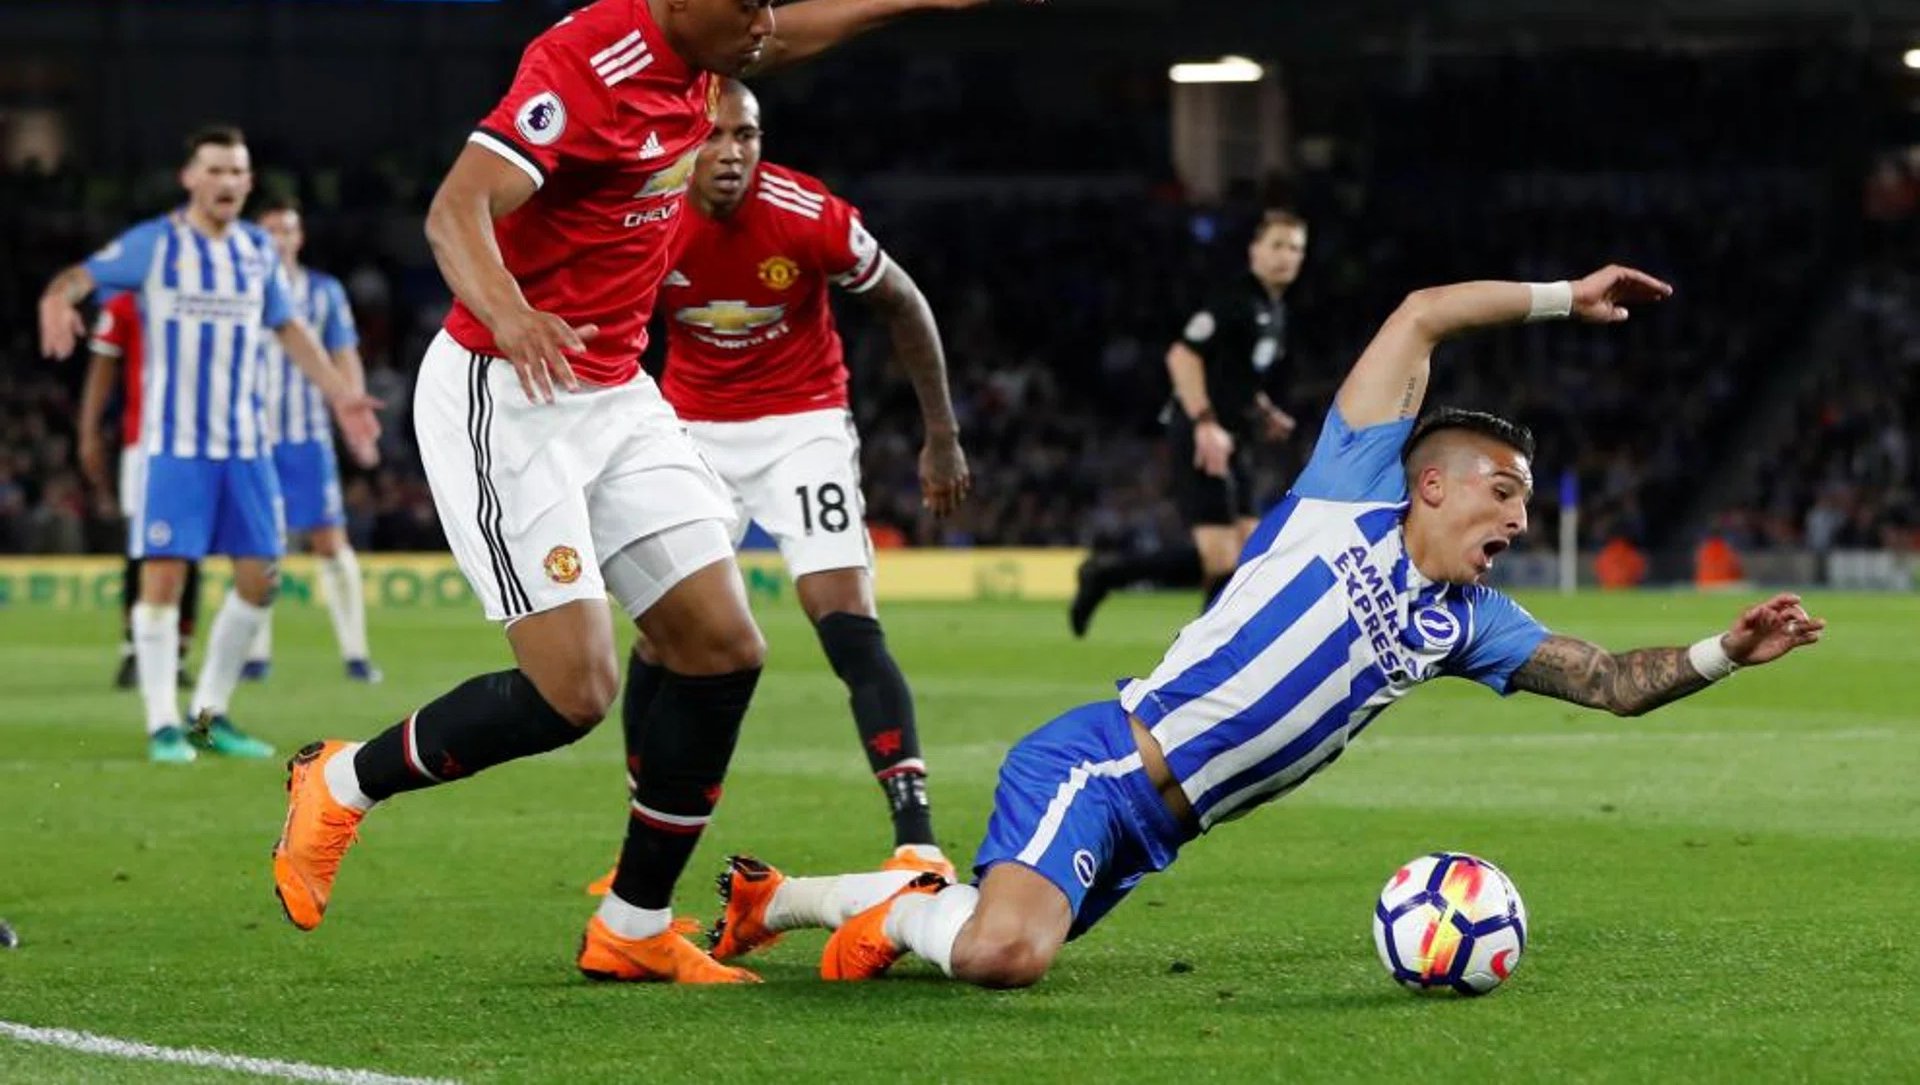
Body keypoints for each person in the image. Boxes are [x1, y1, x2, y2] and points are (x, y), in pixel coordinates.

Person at [267, 0, 1040, 984]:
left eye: (772, 1)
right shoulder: (583, 70)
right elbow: (456, 207)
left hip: (617, 390)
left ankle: (631, 928)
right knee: (573, 692)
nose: (767, 23)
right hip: (505, 386)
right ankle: (339, 783)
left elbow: (799, 35)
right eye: (751, 2)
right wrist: (515, 311)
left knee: (723, 648)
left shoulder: (707, 56)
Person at [705, 265, 1826, 988]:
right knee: (1003, 954)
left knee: (985, 932)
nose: (1518, 520)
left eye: (1527, 506)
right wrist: (1560, 297)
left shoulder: (1466, 625)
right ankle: (887, 913)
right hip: (1104, 763)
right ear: (1430, 484)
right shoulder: (1348, 489)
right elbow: (1422, 314)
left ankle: (786, 900)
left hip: (1156, 833)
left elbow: (1609, 681)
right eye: (1503, 493)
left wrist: (1729, 651)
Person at [586, 79, 968, 898]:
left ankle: (917, 840)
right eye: (714, 136)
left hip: (803, 425)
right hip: (689, 431)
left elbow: (905, 303)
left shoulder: (808, 215)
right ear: (685, 139)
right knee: (665, 639)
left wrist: (941, 434)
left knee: (847, 623)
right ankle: (638, 844)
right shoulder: (647, 219)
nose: (731, 155)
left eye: (746, 137)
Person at [37, 125, 382, 764]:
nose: (226, 182)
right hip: (176, 446)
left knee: (261, 579)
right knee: (164, 579)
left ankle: (208, 716)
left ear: (248, 183)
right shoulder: (156, 244)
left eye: (236, 172)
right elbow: (81, 275)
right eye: (215, 171)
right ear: (189, 179)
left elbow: (292, 331)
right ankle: (162, 722)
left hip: (248, 447)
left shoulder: (255, 251)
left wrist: (341, 395)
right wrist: (58, 299)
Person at [1072, 210, 1307, 636]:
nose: (1285, 256)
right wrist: (1204, 422)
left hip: (1237, 437)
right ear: (1254, 251)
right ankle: (1202, 661)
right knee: (1221, 561)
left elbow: (1235, 374)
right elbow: (1182, 357)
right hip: (1203, 434)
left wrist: (1264, 408)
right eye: (1276, 245)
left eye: (1294, 248)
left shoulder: (1274, 312)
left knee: (1250, 557)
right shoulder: (1233, 299)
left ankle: (1108, 573)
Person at [239, 196, 380, 684]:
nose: (281, 239)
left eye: (288, 230)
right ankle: (255, 654)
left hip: (306, 437)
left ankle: (356, 654)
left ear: (300, 237)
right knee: (258, 544)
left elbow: (344, 354)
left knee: (329, 541)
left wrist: (354, 415)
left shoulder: (324, 292)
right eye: (271, 230)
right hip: (250, 436)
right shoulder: (238, 287)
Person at [79, 292, 200, 691]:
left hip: (207, 445)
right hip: (145, 445)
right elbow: (103, 365)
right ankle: (135, 650)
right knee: (144, 549)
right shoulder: (127, 302)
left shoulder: (211, 294)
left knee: (190, 551)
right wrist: (89, 431)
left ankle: (178, 652)